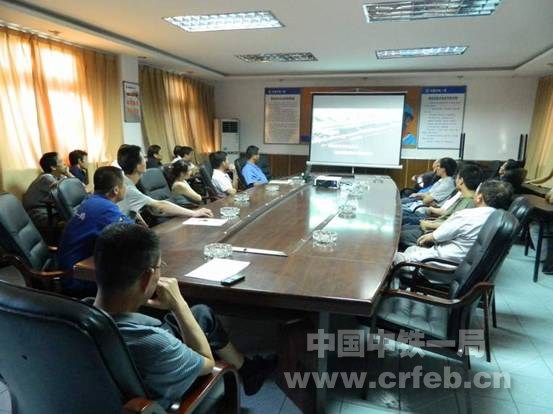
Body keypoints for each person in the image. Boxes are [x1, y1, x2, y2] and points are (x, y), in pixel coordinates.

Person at [92, 223, 276, 408]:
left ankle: (248, 371)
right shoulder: (155, 342)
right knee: (197, 321)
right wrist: (179, 305)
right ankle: (251, 372)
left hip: (106, 390)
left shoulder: (78, 317)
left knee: (201, 314)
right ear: (147, 278)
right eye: (159, 266)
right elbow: (208, 364)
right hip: (158, 401)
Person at [394, 180, 514, 265]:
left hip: (436, 264)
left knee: (394, 258)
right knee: (410, 249)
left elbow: (435, 237)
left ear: (479, 198)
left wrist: (427, 237)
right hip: (460, 266)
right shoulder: (499, 220)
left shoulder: (467, 215)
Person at [58, 166, 133, 271]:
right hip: (78, 272)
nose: (126, 187)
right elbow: (134, 233)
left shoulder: (91, 200)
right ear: (116, 190)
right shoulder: (105, 208)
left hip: (73, 262)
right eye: (125, 184)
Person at [116, 145, 212, 219]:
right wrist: (194, 213)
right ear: (138, 166)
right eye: (143, 158)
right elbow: (160, 205)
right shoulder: (128, 189)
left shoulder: (123, 182)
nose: (146, 160)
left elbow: (132, 209)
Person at [400, 163, 483, 248]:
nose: (455, 180)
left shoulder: (469, 204)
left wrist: (429, 224)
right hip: (433, 227)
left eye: (457, 177)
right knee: (402, 227)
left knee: (400, 235)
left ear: (461, 180)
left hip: (434, 235)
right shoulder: (464, 199)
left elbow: (453, 227)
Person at [22, 152, 74, 236]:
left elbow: (79, 188)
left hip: (50, 211)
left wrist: (68, 173)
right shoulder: (46, 179)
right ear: (53, 167)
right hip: (40, 214)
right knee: (73, 223)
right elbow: (71, 194)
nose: (65, 163)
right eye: (61, 161)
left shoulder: (59, 176)